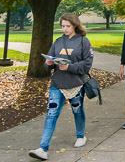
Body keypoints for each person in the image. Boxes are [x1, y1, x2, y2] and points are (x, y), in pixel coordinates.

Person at [29, 13, 93, 161]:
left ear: (75, 25)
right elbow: (46, 66)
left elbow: (87, 65)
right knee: (51, 114)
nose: (64, 29)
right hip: (57, 84)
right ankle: (43, 149)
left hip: (76, 84)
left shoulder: (83, 42)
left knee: (77, 111)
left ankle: (80, 135)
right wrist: (48, 64)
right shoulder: (58, 42)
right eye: (63, 26)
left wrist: (68, 67)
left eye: (67, 26)